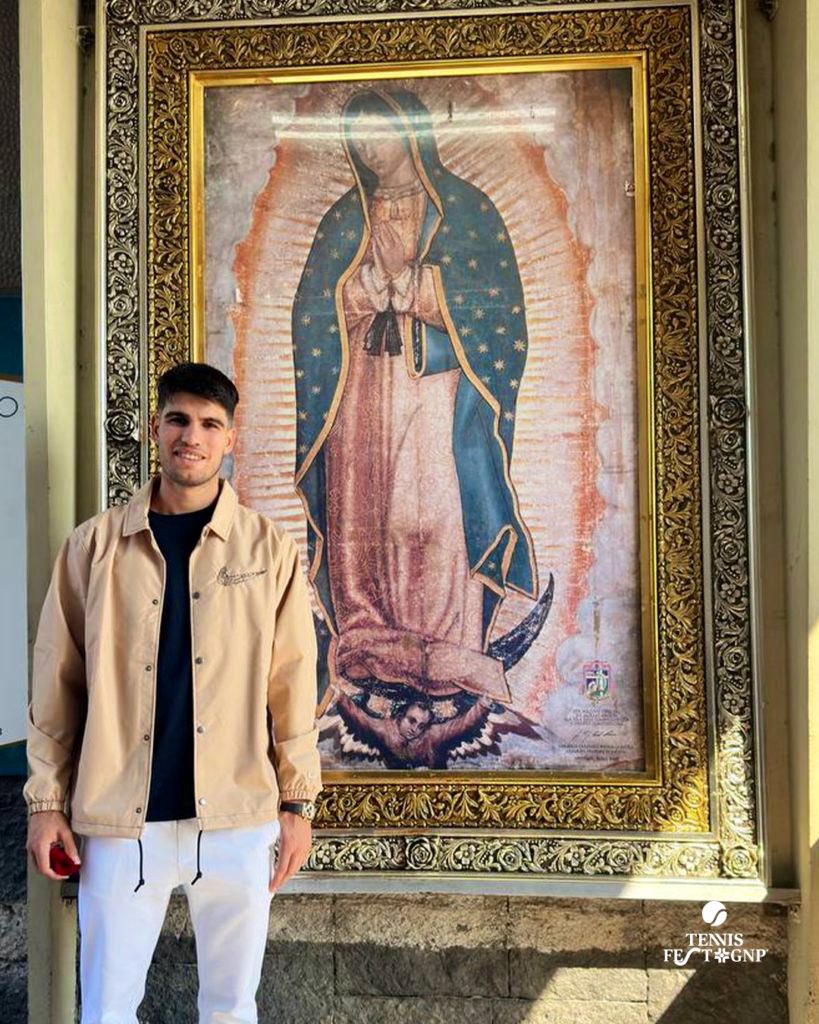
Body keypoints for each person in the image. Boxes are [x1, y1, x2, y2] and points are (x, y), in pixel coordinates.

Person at [24, 362, 321, 1023]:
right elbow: (56, 682)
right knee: (106, 1009)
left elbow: (293, 681)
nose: (193, 435)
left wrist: (298, 801)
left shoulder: (268, 548)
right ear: (155, 428)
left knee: (230, 1007)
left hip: (238, 818)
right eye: (179, 420)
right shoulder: (93, 548)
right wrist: (46, 803)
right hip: (121, 819)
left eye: (210, 424)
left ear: (230, 439)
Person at [291, 87, 538, 762]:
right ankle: (368, 636)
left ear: (409, 131)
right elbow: (314, 310)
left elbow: (498, 309)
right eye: (358, 137)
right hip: (361, 394)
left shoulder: (463, 211)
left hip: (436, 391)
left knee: (428, 512)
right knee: (362, 515)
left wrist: (430, 291)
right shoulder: (347, 217)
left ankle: (444, 643)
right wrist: (360, 294)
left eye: (380, 133)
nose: (369, 149)